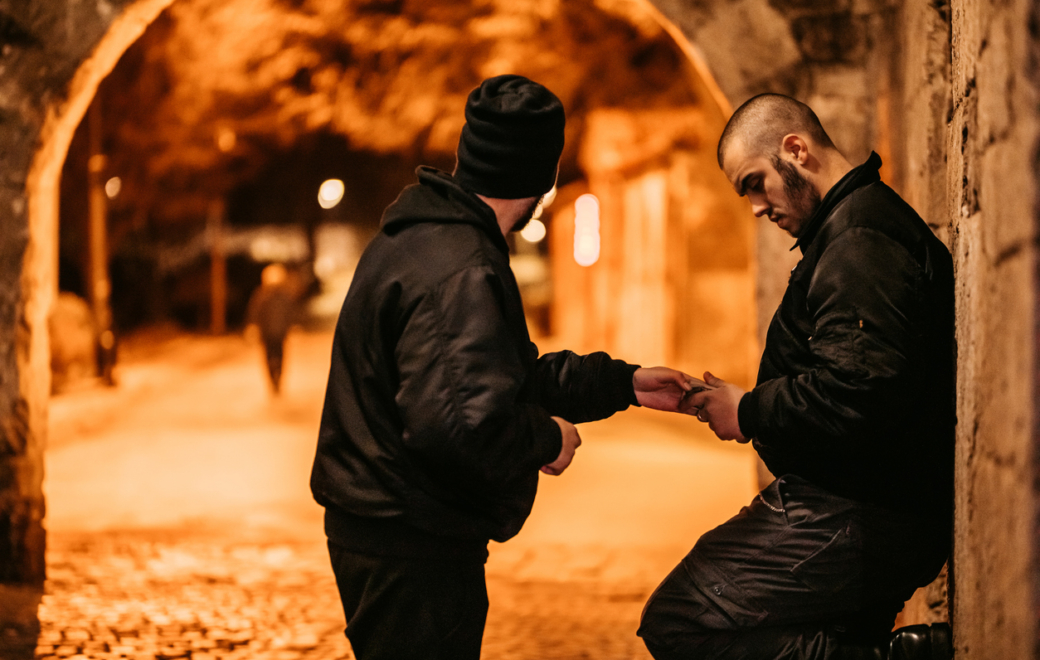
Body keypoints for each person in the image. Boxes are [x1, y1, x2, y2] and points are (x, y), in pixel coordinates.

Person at [310, 74, 695, 660]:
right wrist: (546, 438)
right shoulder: (462, 266)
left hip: (390, 533)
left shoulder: (426, 240)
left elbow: (506, 374)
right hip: (411, 542)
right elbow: (461, 424)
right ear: (545, 178)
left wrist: (624, 384)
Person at [637, 94, 955, 660]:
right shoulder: (846, 231)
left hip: (857, 512)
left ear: (796, 149)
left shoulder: (859, 240)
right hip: (854, 506)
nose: (757, 207)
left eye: (756, 183)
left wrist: (751, 409)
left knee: (680, 619)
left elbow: (860, 390)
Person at [246, 263, 297, 394]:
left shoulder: (285, 296)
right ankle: (273, 382)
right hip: (267, 334)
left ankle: (278, 380)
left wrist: (292, 328)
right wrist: (253, 328)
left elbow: (291, 314)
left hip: (280, 334)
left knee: (279, 357)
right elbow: (254, 314)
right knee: (269, 358)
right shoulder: (261, 296)